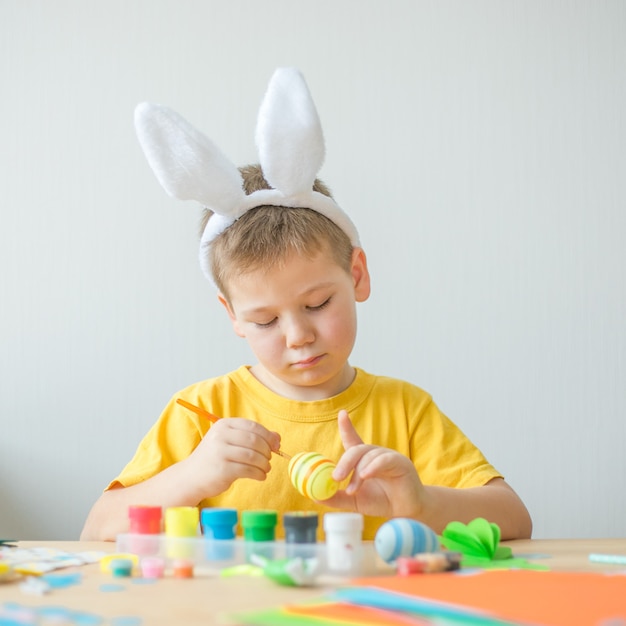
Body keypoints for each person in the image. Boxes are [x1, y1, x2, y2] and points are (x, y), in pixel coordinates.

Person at [81, 69, 532, 542]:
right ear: (232, 315)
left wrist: (417, 501)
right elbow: (96, 531)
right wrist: (194, 475)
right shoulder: (199, 411)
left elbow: (514, 518)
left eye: (317, 304)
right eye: (265, 319)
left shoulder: (405, 410)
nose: (298, 336)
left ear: (356, 275)